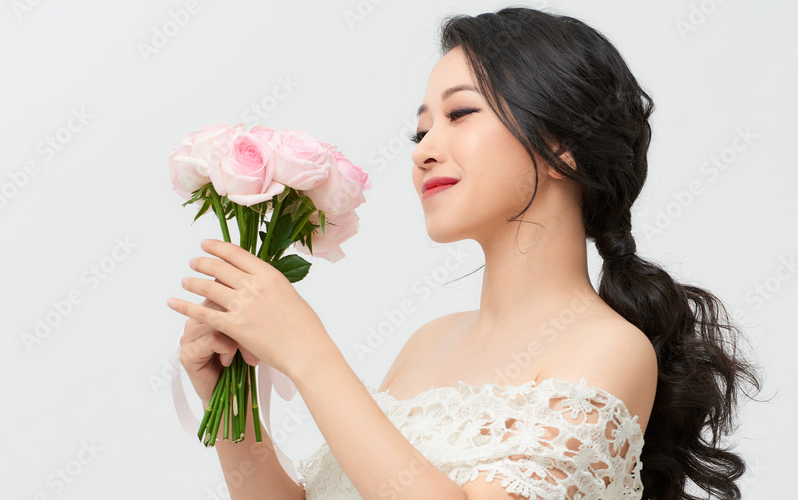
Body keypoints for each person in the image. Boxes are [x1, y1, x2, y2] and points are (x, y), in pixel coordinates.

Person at [167, 6, 766, 499]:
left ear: (564, 145)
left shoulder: (609, 347)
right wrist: (236, 415)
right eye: (420, 129)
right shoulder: (428, 343)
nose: (424, 149)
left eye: (460, 113)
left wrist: (307, 351)